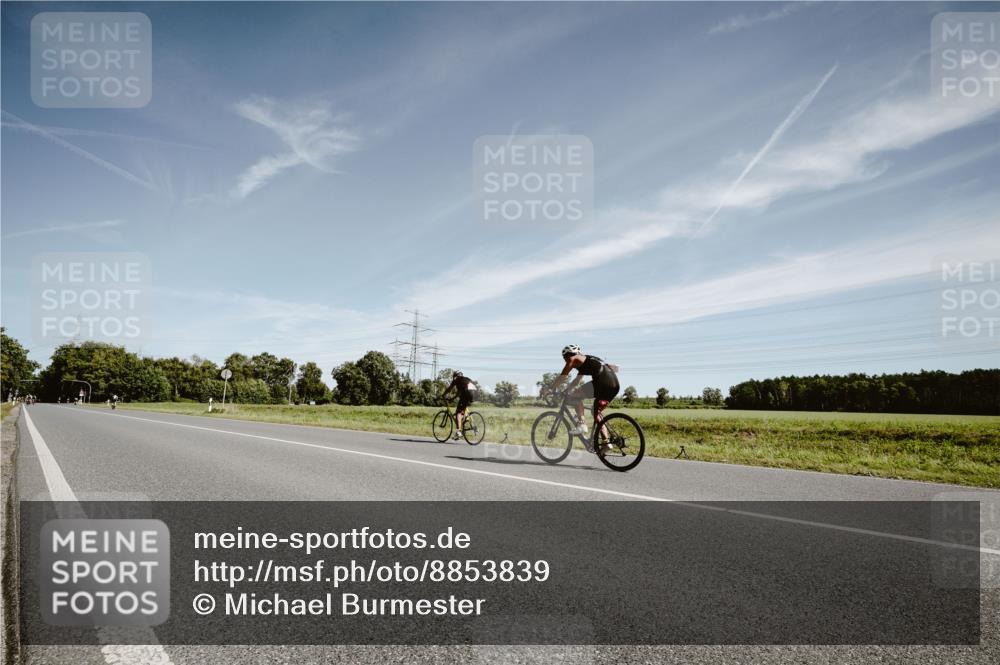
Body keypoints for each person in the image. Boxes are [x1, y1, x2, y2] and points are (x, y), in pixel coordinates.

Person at [544, 345, 620, 452]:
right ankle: (606, 441)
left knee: (575, 397)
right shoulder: (586, 360)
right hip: (614, 385)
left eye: (564, 358)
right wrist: (567, 390)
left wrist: (550, 389)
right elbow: (577, 380)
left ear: (567, 355)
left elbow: (563, 376)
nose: (565, 360)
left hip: (602, 382)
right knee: (596, 412)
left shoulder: (572, 358)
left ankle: (582, 423)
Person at [442, 371, 477, 441]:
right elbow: (459, 393)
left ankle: (458, 432)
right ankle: (467, 423)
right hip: (474, 393)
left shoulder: (457, 380)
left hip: (466, 393)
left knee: (458, 413)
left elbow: (449, 389)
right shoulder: (465, 379)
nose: (453, 378)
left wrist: (443, 395)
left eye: (453, 377)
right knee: (463, 409)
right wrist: (452, 398)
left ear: (455, 376)